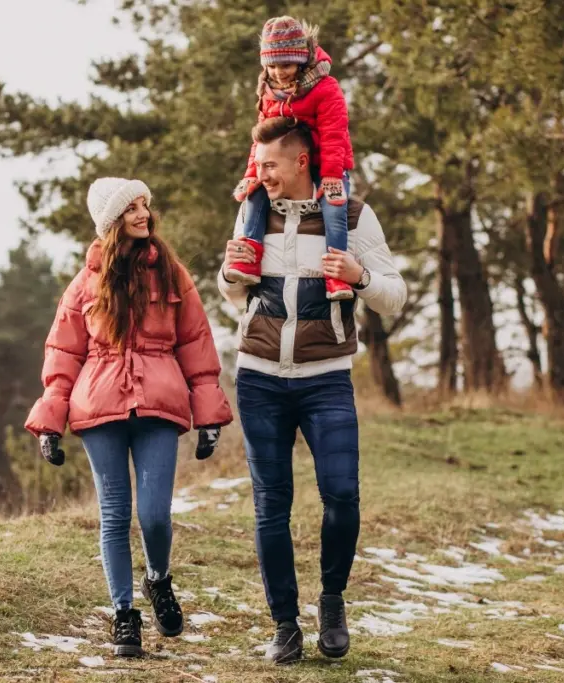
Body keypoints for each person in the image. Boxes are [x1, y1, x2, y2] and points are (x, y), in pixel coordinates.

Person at [218, 117, 407, 664]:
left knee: (342, 497)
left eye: (270, 164)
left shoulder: (351, 216)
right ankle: (284, 625)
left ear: (303, 161)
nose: (261, 174)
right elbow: (234, 294)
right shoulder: (254, 209)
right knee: (269, 507)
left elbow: (393, 295)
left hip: (326, 380)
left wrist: (359, 276)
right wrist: (232, 275)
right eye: (259, 164)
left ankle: (331, 602)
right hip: (258, 378)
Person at [26, 177, 234, 658]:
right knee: (115, 516)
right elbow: (62, 356)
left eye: (145, 205)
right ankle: (124, 616)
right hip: (98, 409)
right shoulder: (84, 285)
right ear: (111, 222)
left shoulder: (173, 275)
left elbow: (197, 345)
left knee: (155, 516)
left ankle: (158, 579)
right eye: (132, 208)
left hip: (160, 407)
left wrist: (209, 415)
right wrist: (49, 423)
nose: (144, 213)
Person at [226, 15, 356, 304]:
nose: (279, 72)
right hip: (285, 163)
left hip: (326, 163)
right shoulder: (269, 92)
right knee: (254, 193)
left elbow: (335, 134)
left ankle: (336, 270)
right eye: (272, 65)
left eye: (285, 65)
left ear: (300, 59)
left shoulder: (325, 87)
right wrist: (253, 172)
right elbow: (262, 139)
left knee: (335, 209)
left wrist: (333, 175)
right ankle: (249, 254)